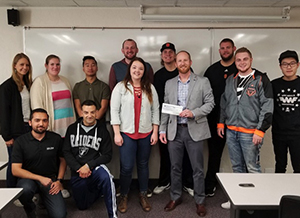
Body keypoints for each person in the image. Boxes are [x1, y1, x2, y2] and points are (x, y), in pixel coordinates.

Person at [159, 51, 214, 217]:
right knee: (175, 167)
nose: (182, 63)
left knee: (197, 169)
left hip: (195, 130)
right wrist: (162, 129)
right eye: (179, 61)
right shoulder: (169, 83)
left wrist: (193, 113)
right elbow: (166, 108)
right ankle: (175, 197)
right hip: (174, 132)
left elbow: (210, 103)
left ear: (190, 61)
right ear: (175, 64)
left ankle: (200, 201)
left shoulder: (203, 81)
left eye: (185, 60)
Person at [217, 47, 273, 209]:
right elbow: (224, 102)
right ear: (235, 62)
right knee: (237, 167)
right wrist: (221, 122)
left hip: (251, 134)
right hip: (232, 131)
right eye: (238, 60)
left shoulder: (260, 79)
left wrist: (260, 130)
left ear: (251, 60)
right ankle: (238, 200)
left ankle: (257, 203)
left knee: (252, 168)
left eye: (245, 59)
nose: (242, 62)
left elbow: (267, 107)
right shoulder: (231, 80)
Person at [110, 57, 159, 213]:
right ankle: (123, 195)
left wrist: (155, 132)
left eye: (140, 69)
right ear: (129, 70)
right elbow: (114, 111)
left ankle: (143, 194)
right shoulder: (120, 87)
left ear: (144, 72)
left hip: (145, 133)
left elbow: (155, 110)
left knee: (143, 165)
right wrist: (116, 133)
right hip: (126, 134)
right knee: (126, 167)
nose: (137, 71)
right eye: (134, 68)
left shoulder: (150, 87)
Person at [30, 54, 76, 198]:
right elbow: (37, 108)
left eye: (57, 64)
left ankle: (61, 183)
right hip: (52, 127)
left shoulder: (66, 81)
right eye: (52, 64)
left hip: (67, 126)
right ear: (46, 66)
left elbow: (70, 104)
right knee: (52, 158)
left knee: (65, 156)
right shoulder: (40, 82)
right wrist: (43, 126)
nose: (55, 67)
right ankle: (52, 186)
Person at [63, 100, 117, 218]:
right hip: (78, 171)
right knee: (82, 206)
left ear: (97, 112)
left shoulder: (102, 130)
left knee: (106, 177)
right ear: (81, 113)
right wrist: (79, 168)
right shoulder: (72, 129)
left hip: (94, 168)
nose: (89, 115)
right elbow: (66, 152)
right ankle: (97, 191)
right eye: (86, 112)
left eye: (92, 112)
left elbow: (107, 155)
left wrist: (89, 165)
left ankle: (113, 215)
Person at [153, 42, 194, 196]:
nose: (168, 55)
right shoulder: (159, 75)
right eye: (165, 52)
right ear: (162, 56)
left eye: (171, 52)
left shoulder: (186, 71)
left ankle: (188, 183)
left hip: (186, 122)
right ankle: (164, 181)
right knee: (165, 154)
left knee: (187, 155)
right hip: (167, 122)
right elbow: (158, 101)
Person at [11, 108, 67, 218]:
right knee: (25, 190)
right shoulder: (21, 142)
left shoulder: (56, 139)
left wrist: (59, 180)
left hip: (50, 180)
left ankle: (43, 201)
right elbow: (15, 170)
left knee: (60, 216)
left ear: (48, 123)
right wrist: (39, 178)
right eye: (37, 120)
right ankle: (30, 208)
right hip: (28, 180)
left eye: (44, 120)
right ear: (30, 122)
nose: (41, 124)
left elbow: (63, 160)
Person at [203, 38, 238, 197]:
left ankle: (241, 188)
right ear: (219, 51)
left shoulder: (240, 68)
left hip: (237, 121)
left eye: (228, 48)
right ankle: (210, 185)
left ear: (233, 49)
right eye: (222, 48)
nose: (225, 50)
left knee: (239, 157)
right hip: (215, 121)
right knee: (214, 154)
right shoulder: (211, 71)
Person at [0, 53, 33, 190]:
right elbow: (2, 113)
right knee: (14, 162)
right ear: (15, 66)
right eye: (21, 65)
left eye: (27, 65)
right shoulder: (6, 87)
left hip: (28, 128)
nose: (24, 67)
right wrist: (6, 136)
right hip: (15, 131)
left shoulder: (29, 84)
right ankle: (12, 192)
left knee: (27, 161)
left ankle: (24, 190)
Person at [272, 50, 300, 173]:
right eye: (285, 64)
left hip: (298, 134)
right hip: (279, 132)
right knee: (280, 165)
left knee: (298, 166)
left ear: (298, 65)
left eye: (292, 63)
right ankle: (278, 191)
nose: (288, 67)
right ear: (280, 66)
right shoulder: (273, 85)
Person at [73, 56, 110, 123]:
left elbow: (103, 107)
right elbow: (78, 107)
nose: (90, 68)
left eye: (93, 65)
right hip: (82, 123)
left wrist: (93, 121)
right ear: (83, 69)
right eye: (87, 65)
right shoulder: (77, 86)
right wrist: (85, 122)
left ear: (97, 68)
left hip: (99, 123)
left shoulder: (104, 86)